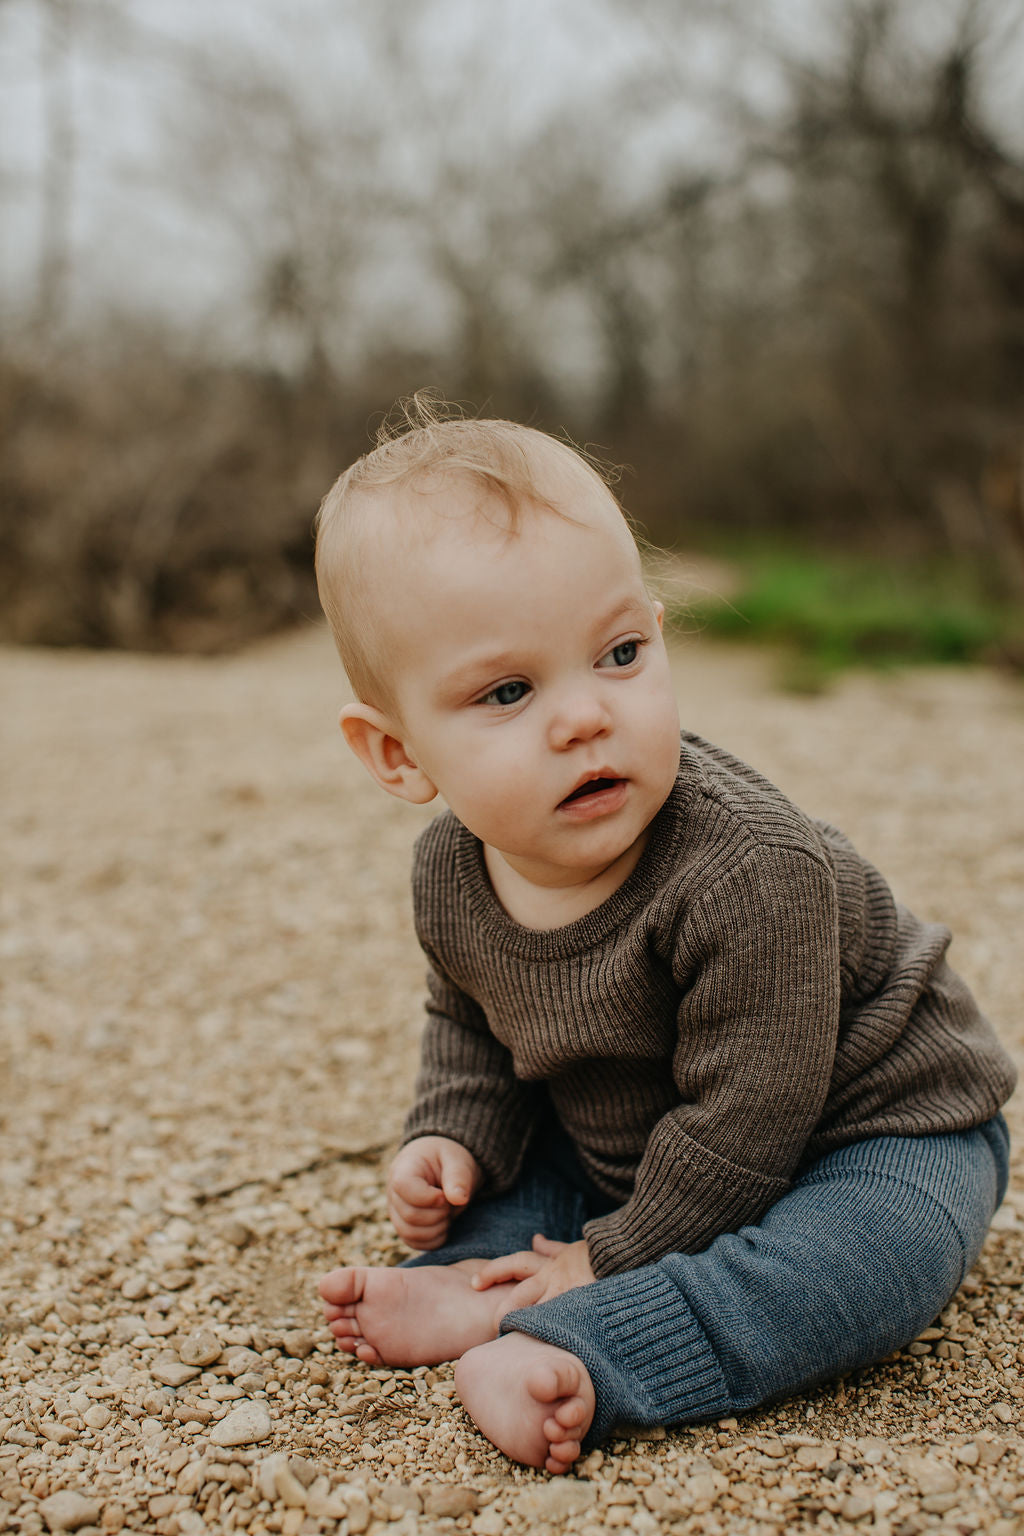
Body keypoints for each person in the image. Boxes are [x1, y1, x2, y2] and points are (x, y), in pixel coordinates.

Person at [313, 398, 1015, 1474]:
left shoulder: (748, 868)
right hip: (648, 1135)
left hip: (866, 1130)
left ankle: (596, 1348)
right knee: (511, 1167)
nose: (585, 716)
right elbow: (469, 1022)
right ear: (399, 756)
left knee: (869, 1260)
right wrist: (448, 1135)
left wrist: (608, 1258)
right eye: (509, 690)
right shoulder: (450, 872)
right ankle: (487, 1280)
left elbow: (748, 1122)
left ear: (657, 630)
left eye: (620, 653)